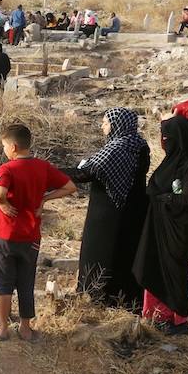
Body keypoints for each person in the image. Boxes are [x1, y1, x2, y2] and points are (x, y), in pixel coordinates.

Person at [0, 123, 77, 342]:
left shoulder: (7, 169)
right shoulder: (43, 167)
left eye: (5, 146)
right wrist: (44, 198)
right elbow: (70, 187)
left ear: (14, 147)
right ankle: (25, 329)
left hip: (5, 234)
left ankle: (1, 328)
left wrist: (1, 203)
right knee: (26, 281)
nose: (4, 150)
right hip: (31, 235)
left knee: (4, 281)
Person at [132, 112, 188, 336]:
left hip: (181, 228)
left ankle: (178, 321)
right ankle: (159, 316)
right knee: (157, 268)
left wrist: (165, 198)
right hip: (163, 225)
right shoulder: (176, 161)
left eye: (169, 139)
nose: (165, 143)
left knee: (175, 270)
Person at [62, 108, 150, 309]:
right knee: (125, 252)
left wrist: (50, 173)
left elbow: (87, 173)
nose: (102, 126)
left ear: (117, 124)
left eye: (106, 122)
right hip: (133, 209)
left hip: (109, 213)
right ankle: (126, 298)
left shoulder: (117, 148)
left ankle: (99, 297)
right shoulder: (138, 143)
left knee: (101, 253)